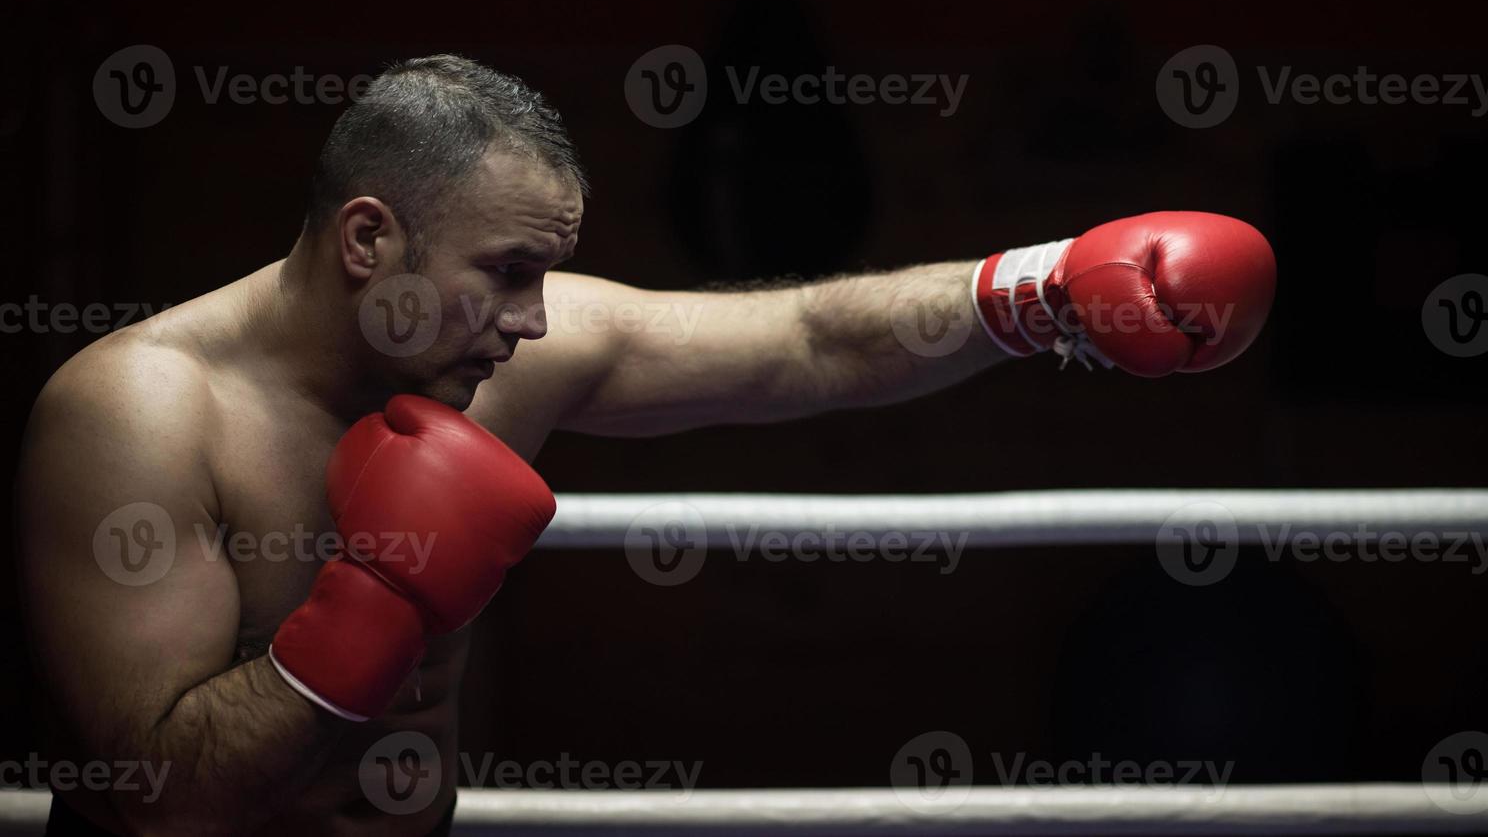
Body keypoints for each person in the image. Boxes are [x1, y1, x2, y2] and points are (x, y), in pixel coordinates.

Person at [15, 54, 1276, 836]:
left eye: (545, 275)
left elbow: (807, 341)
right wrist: (374, 603)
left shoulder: (502, 355)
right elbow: (165, 802)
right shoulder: (138, 410)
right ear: (365, 241)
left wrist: (1040, 288)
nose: (534, 321)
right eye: (507, 273)